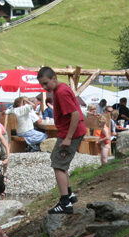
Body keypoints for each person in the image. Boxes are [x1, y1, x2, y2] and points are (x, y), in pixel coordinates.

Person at [37, 66, 87, 215]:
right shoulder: (62, 88)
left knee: (58, 165)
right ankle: (69, 194)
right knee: (59, 162)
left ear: (54, 78)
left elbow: (75, 115)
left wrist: (68, 138)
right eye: (42, 85)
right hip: (68, 132)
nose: (45, 88)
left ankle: (65, 202)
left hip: (70, 134)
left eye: (46, 83)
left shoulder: (61, 92)